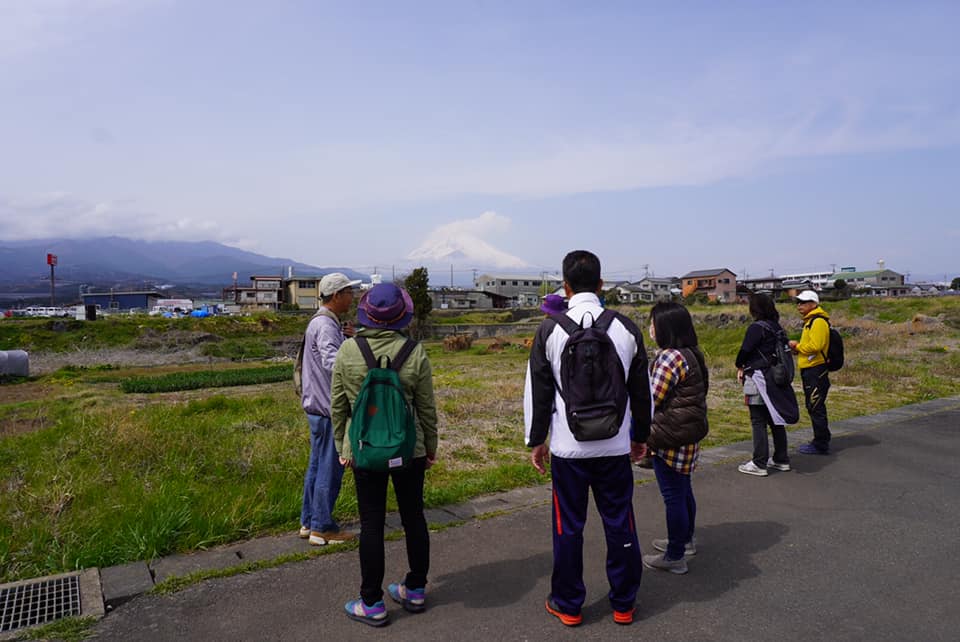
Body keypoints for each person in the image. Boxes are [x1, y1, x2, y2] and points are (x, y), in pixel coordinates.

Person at [524, 250, 651, 627]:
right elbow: (640, 390)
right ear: (601, 284)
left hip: (568, 448)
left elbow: (538, 391)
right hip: (614, 446)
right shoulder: (626, 328)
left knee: (568, 526)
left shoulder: (550, 329)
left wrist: (537, 439)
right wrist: (640, 436)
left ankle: (568, 604)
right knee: (619, 521)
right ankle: (624, 602)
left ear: (565, 286)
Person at [331, 283, 438, 627]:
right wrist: (430, 446)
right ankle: (416, 589)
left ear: (367, 314)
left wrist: (341, 448)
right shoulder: (415, 351)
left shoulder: (348, 350)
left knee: (372, 525)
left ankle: (372, 603)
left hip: (363, 449)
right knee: (414, 518)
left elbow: (338, 407)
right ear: (399, 316)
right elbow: (426, 408)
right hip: (410, 450)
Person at [642, 302, 709, 575]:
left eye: (654, 323)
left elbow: (651, 398)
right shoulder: (691, 353)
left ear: (666, 328)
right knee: (683, 491)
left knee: (673, 497)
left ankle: (675, 555)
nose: (650, 328)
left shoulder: (670, 357)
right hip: (686, 434)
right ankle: (685, 540)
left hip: (670, 436)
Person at [299, 272, 361, 546]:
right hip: (327, 409)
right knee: (329, 468)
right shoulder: (326, 325)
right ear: (336, 296)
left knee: (316, 467)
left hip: (316, 406)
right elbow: (333, 362)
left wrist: (347, 339)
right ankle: (322, 527)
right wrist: (356, 356)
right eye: (349, 292)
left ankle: (308, 521)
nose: (353, 297)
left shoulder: (320, 321)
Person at [735, 293, 800, 476]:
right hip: (776, 377)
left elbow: (744, 352)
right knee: (775, 418)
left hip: (758, 378)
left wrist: (739, 365)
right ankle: (781, 459)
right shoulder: (777, 327)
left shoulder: (756, 328)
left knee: (758, 420)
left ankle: (759, 463)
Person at [789, 290, 832, 455]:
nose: (799, 305)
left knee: (816, 406)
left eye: (803, 302)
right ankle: (820, 440)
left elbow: (816, 346)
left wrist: (797, 346)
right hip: (810, 369)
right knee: (813, 406)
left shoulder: (818, 321)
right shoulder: (810, 321)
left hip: (816, 370)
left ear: (813, 304)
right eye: (798, 302)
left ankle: (821, 443)